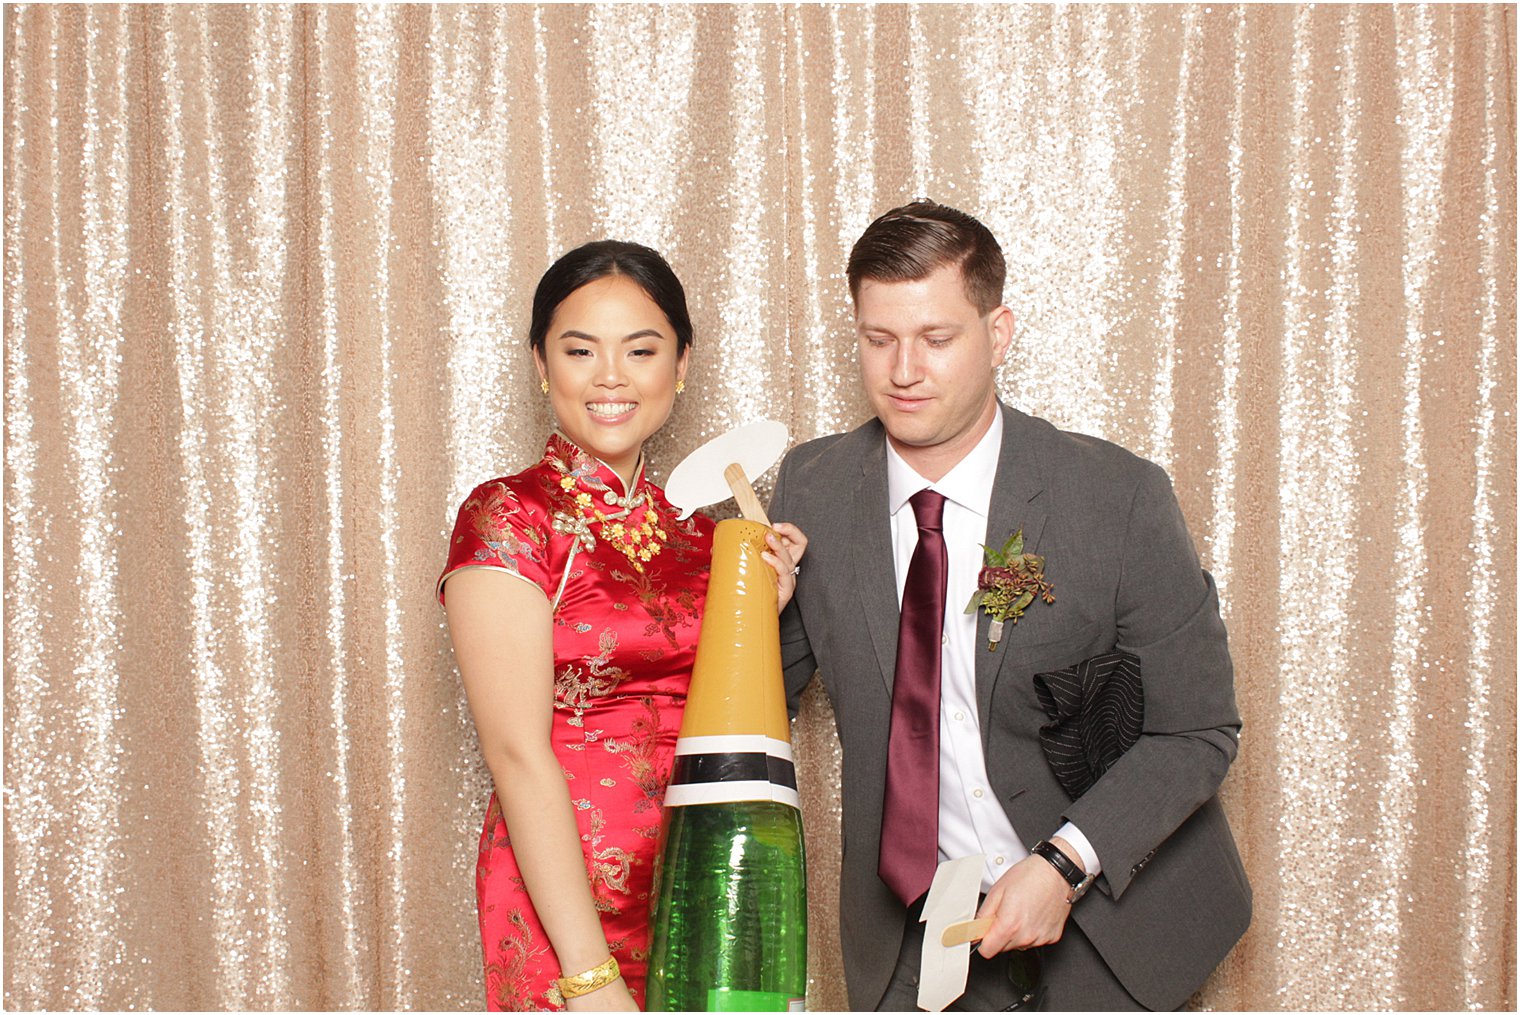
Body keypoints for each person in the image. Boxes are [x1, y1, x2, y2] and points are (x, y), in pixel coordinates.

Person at [769, 201, 1250, 1011]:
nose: (903, 370)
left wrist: (1065, 862)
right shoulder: (812, 486)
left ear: (999, 334)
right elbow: (759, 705)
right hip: (911, 949)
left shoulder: (1116, 497)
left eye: (937, 338)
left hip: (1113, 935)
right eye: (877, 339)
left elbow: (1197, 727)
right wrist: (756, 610)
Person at [439, 240, 806, 1012]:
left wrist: (760, 606)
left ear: (680, 365)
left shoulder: (702, 534)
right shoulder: (509, 515)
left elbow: (728, 728)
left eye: (641, 350)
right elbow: (515, 752)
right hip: (561, 899)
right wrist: (590, 976)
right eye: (580, 350)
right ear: (541, 363)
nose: (611, 377)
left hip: (701, 882)